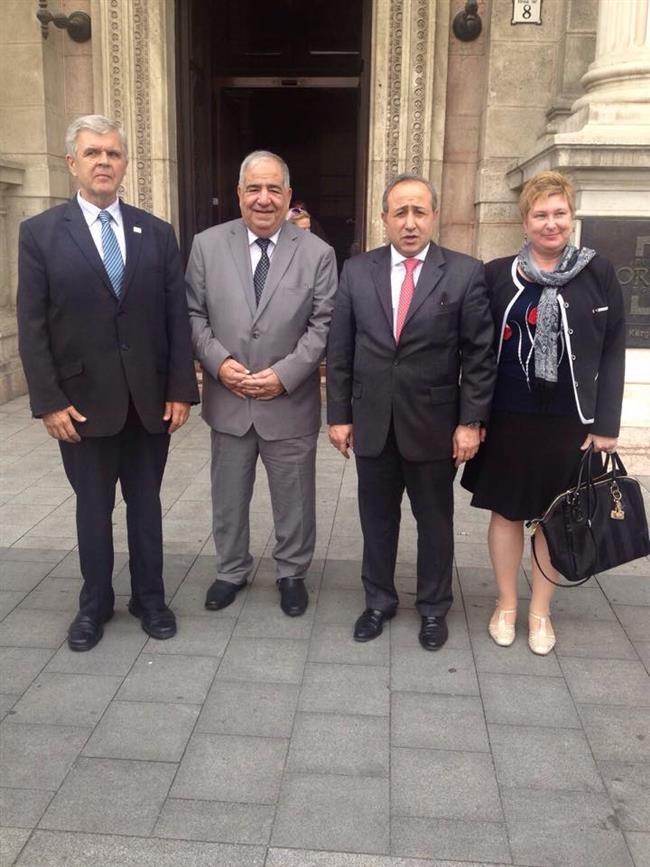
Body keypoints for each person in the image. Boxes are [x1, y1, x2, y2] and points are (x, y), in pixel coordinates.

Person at [17, 114, 199, 651]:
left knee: (146, 506)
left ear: (124, 164)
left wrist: (180, 389)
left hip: (149, 403)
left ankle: (150, 599)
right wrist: (49, 401)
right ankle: (94, 604)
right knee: (92, 510)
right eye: (92, 153)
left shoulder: (157, 232)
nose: (104, 162)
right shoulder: (41, 234)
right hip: (81, 404)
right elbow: (32, 324)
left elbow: (176, 317)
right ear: (72, 163)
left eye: (113, 153)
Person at [326, 173, 495, 649]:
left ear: (433, 216)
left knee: (435, 523)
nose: (410, 222)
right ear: (384, 218)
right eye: (400, 212)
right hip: (373, 422)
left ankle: (434, 607)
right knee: (376, 520)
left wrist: (470, 422)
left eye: (419, 211)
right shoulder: (356, 271)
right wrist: (338, 415)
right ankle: (378, 601)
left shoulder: (463, 272)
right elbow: (340, 349)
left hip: (434, 426)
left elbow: (479, 355)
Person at [461, 170, 626, 655]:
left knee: (558, 516)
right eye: (540, 215)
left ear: (571, 217)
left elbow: (614, 349)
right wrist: (473, 415)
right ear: (525, 222)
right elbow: (476, 349)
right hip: (508, 416)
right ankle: (506, 603)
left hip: (570, 422)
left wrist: (607, 425)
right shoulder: (496, 274)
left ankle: (540, 611)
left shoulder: (599, 272)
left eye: (559, 213)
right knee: (507, 512)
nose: (551, 223)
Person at [186, 150, 337, 617]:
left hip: (288, 401)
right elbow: (192, 314)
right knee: (228, 495)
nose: (264, 198)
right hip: (228, 397)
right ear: (239, 193)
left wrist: (284, 374)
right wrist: (218, 363)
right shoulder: (207, 246)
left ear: (288, 195)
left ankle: (291, 573)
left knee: (295, 497)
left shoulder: (318, 254)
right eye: (254, 188)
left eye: (274, 189)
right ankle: (231, 570)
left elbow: (323, 324)